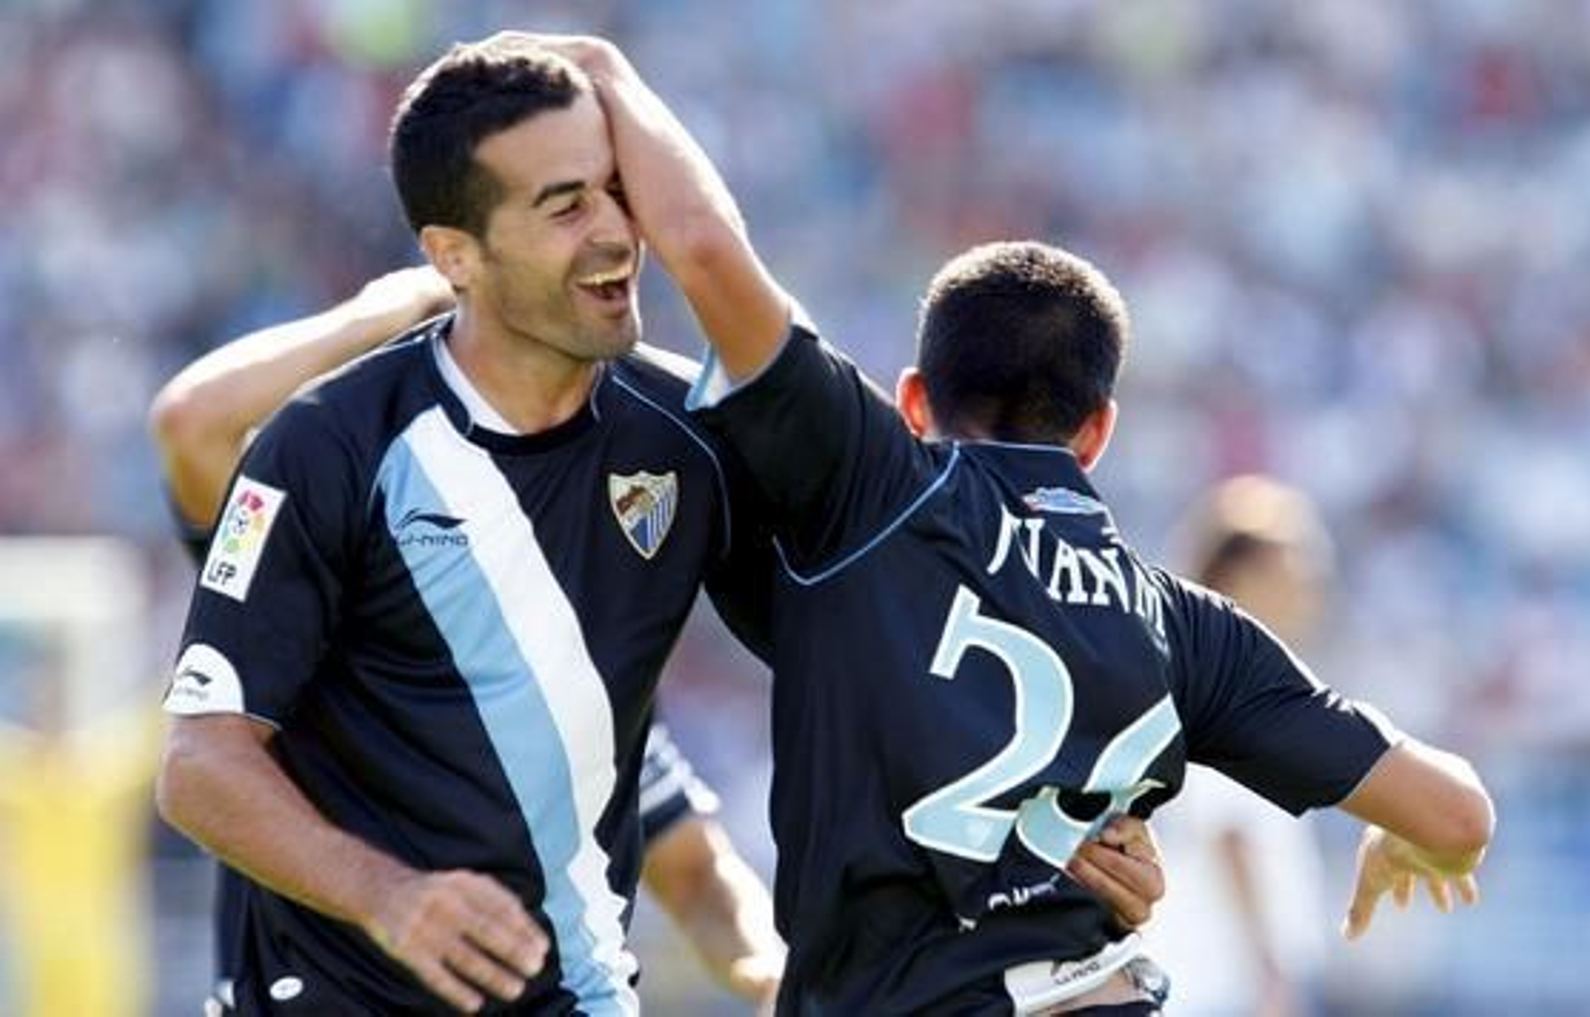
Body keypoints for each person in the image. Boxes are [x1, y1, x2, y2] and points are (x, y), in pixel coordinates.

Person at [153, 36, 1164, 1015]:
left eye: (614, 190)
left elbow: (894, 640)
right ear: (454, 255)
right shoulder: (330, 444)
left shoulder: (690, 436)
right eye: (563, 206)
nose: (612, 232)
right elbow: (199, 766)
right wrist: (388, 895)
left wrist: (1063, 812)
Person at [537, 33, 1495, 1016]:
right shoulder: (1190, 629)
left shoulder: (876, 487)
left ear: (913, 400)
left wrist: (600, 72)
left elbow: (701, 245)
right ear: (1099, 432)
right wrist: (1406, 836)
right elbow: (1458, 810)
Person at [146, 266, 785, 1010]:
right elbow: (192, 423)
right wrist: (379, 318)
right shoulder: (322, 517)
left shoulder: (578, 673)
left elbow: (698, 875)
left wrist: (772, 975)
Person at [1141, 476, 1340, 1017]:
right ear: (1239, 576)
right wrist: (1271, 975)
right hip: (1224, 987)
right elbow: (1231, 831)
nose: (1311, 583)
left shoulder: (1218, 679)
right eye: (1292, 564)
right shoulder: (1226, 689)